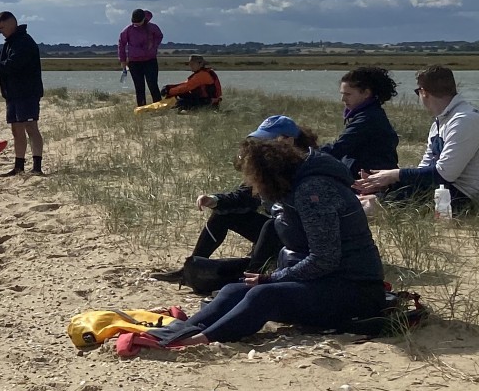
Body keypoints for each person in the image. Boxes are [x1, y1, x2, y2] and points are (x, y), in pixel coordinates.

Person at [141, 127, 385, 348]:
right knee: (231, 290)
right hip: (324, 280)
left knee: (262, 294)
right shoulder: (296, 184)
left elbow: (325, 259)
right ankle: (180, 331)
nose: (252, 186)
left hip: (354, 288)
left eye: (253, 179)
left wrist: (273, 278)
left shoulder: (313, 192)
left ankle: (197, 340)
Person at [150, 116, 309, 292]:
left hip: (301, 238)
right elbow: (243, 197)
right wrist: (215, 200)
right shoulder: (269, 167)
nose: (261, 147)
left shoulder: (305, 167)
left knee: (273, 225)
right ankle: (188, 270)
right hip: (277, 230)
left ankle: (249, 279)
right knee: (224, 214)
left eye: (267, 141)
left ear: (288, 140)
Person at [354, 66, 477, 213]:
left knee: (370, 205)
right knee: (376, 195)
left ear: (423, 92)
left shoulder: (465, 120)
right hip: (440, 190)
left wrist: (394, 175)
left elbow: (445, 174)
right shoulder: (442, 121)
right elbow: (425, 168)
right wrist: (385, 183)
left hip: (463, 197)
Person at [0, 11, 44, 176]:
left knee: (31, 127)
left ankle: (37, 167)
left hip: (27, 93)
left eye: (2, 27)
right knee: (16, 129)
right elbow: (6, 64)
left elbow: (13, 65)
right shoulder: (9, 43)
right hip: (13, 94)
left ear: (11, 24)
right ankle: (19, 166)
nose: (0, 31)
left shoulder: (24, 42)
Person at [322, 66, 399, 177]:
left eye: (348, 94)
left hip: (371, 182)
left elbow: (338, 148)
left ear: (366, 93)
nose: (343, 99)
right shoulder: (369, 113)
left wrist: (306, 153)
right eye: (342, 94)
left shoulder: (368, 118)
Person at [117, 9, 164, 105]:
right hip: (134, 62)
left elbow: (159, 36)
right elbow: (121, 44)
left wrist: (153, 45)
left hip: (150, 60)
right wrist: (122, 60)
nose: (137, 24)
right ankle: (142, 107)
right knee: (139, 87)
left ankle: (158, 105)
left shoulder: (152, 27)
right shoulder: (128, 30)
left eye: (139, 22)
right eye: (135, 22)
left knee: (153, 84)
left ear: (144, 19)